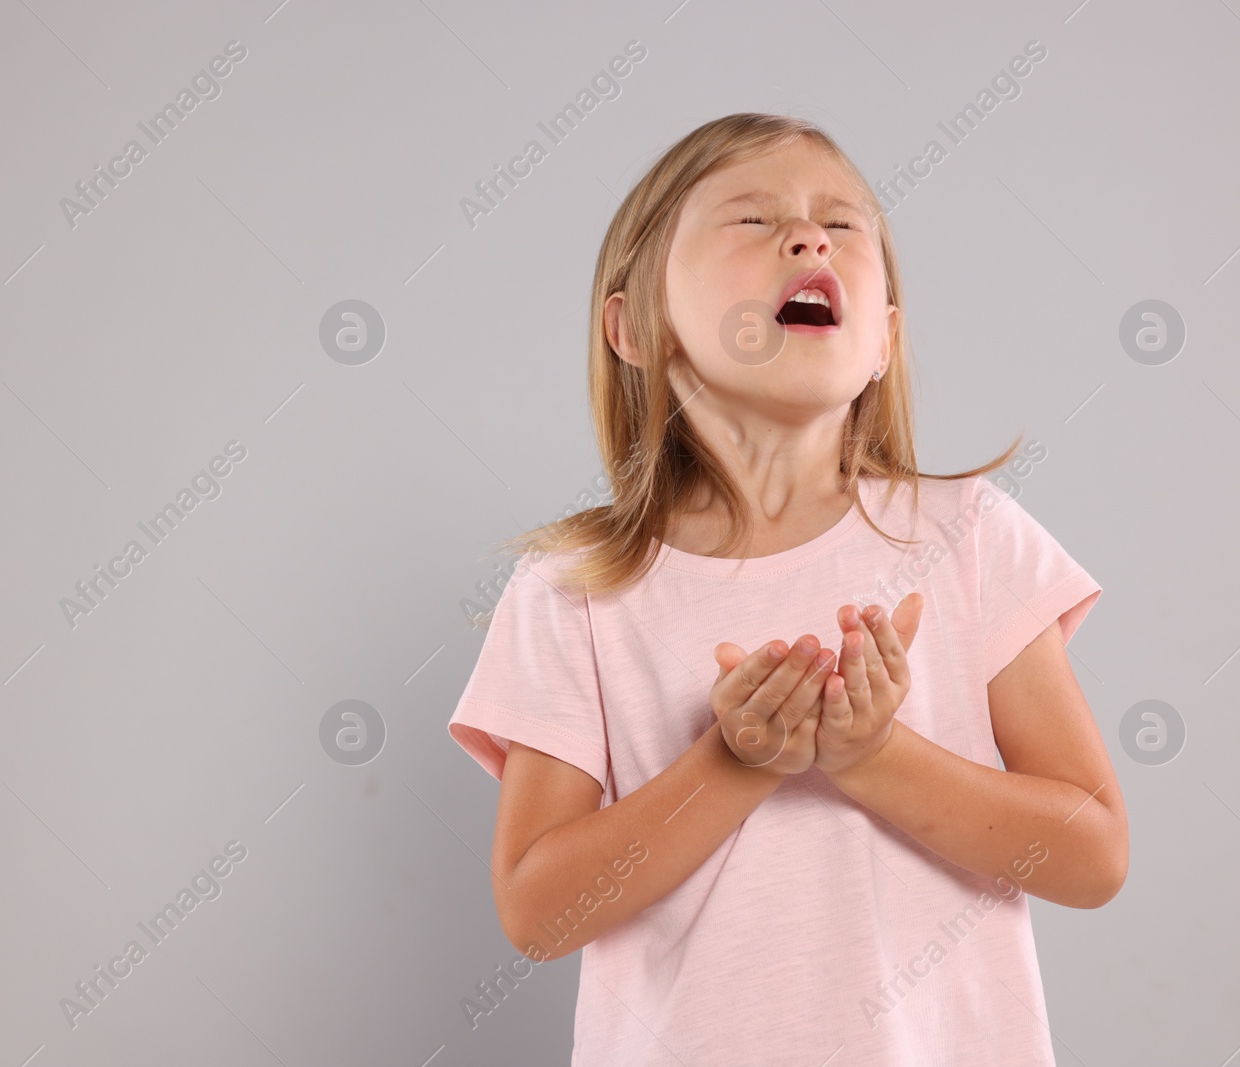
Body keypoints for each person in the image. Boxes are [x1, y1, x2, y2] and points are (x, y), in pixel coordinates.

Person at [447, 111, 1127, 1066]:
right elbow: (538, 910)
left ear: (885, 336)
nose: (810, 238)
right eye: (754, 221)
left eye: (843, 226)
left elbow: (1091, 856)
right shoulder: (572, 591)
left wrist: (871, 755)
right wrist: (738, 763)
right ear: (634, 326)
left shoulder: (969, 536)